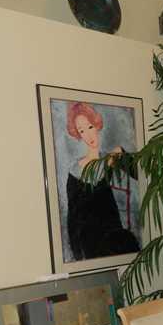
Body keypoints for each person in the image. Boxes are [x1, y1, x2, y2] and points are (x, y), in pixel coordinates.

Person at [60, 102, 140, 262]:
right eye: (82, 131)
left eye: (90, 127)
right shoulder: (75, 170)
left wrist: (121, 154)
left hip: (114, 236)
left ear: (96, 126)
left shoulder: (110, 158)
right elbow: (73, 220)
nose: (88, 135)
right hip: (90, 244)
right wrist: (79, 258)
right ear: (78, 135)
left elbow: (141, 174)